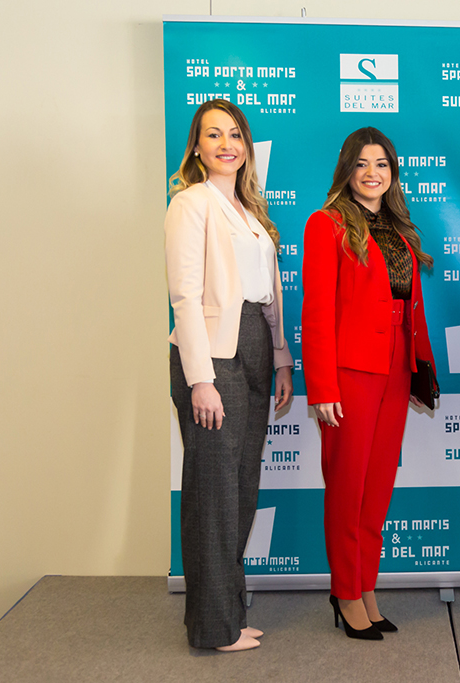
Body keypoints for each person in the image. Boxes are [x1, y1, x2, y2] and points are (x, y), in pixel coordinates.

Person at [165, 99, 294, 652]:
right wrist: (200, 379)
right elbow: (184, 297)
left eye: (235, 134)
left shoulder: (250, 211)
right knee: (213, 492)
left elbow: (269, 295)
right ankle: (213, 628)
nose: (226, 144)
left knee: (240, 488)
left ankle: (229, 615)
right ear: (196, 147)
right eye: (213, 134)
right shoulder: (190, 203)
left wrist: (282, 357)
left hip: (256, 345)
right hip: (213, 356)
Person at [301, 127, 436, 641]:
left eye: (382, 164)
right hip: (350, 372)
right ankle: (345, 591)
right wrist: (323, 387)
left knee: (376, 489)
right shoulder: (326, 224)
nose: (372, 173)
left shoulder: (398, 229)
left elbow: (409, 305)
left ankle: (366, 586)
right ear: (347, 170)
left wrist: (418, 364)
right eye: (362, 164)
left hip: (396, 368)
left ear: (393, 173)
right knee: (347, 487)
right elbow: (316, 311)